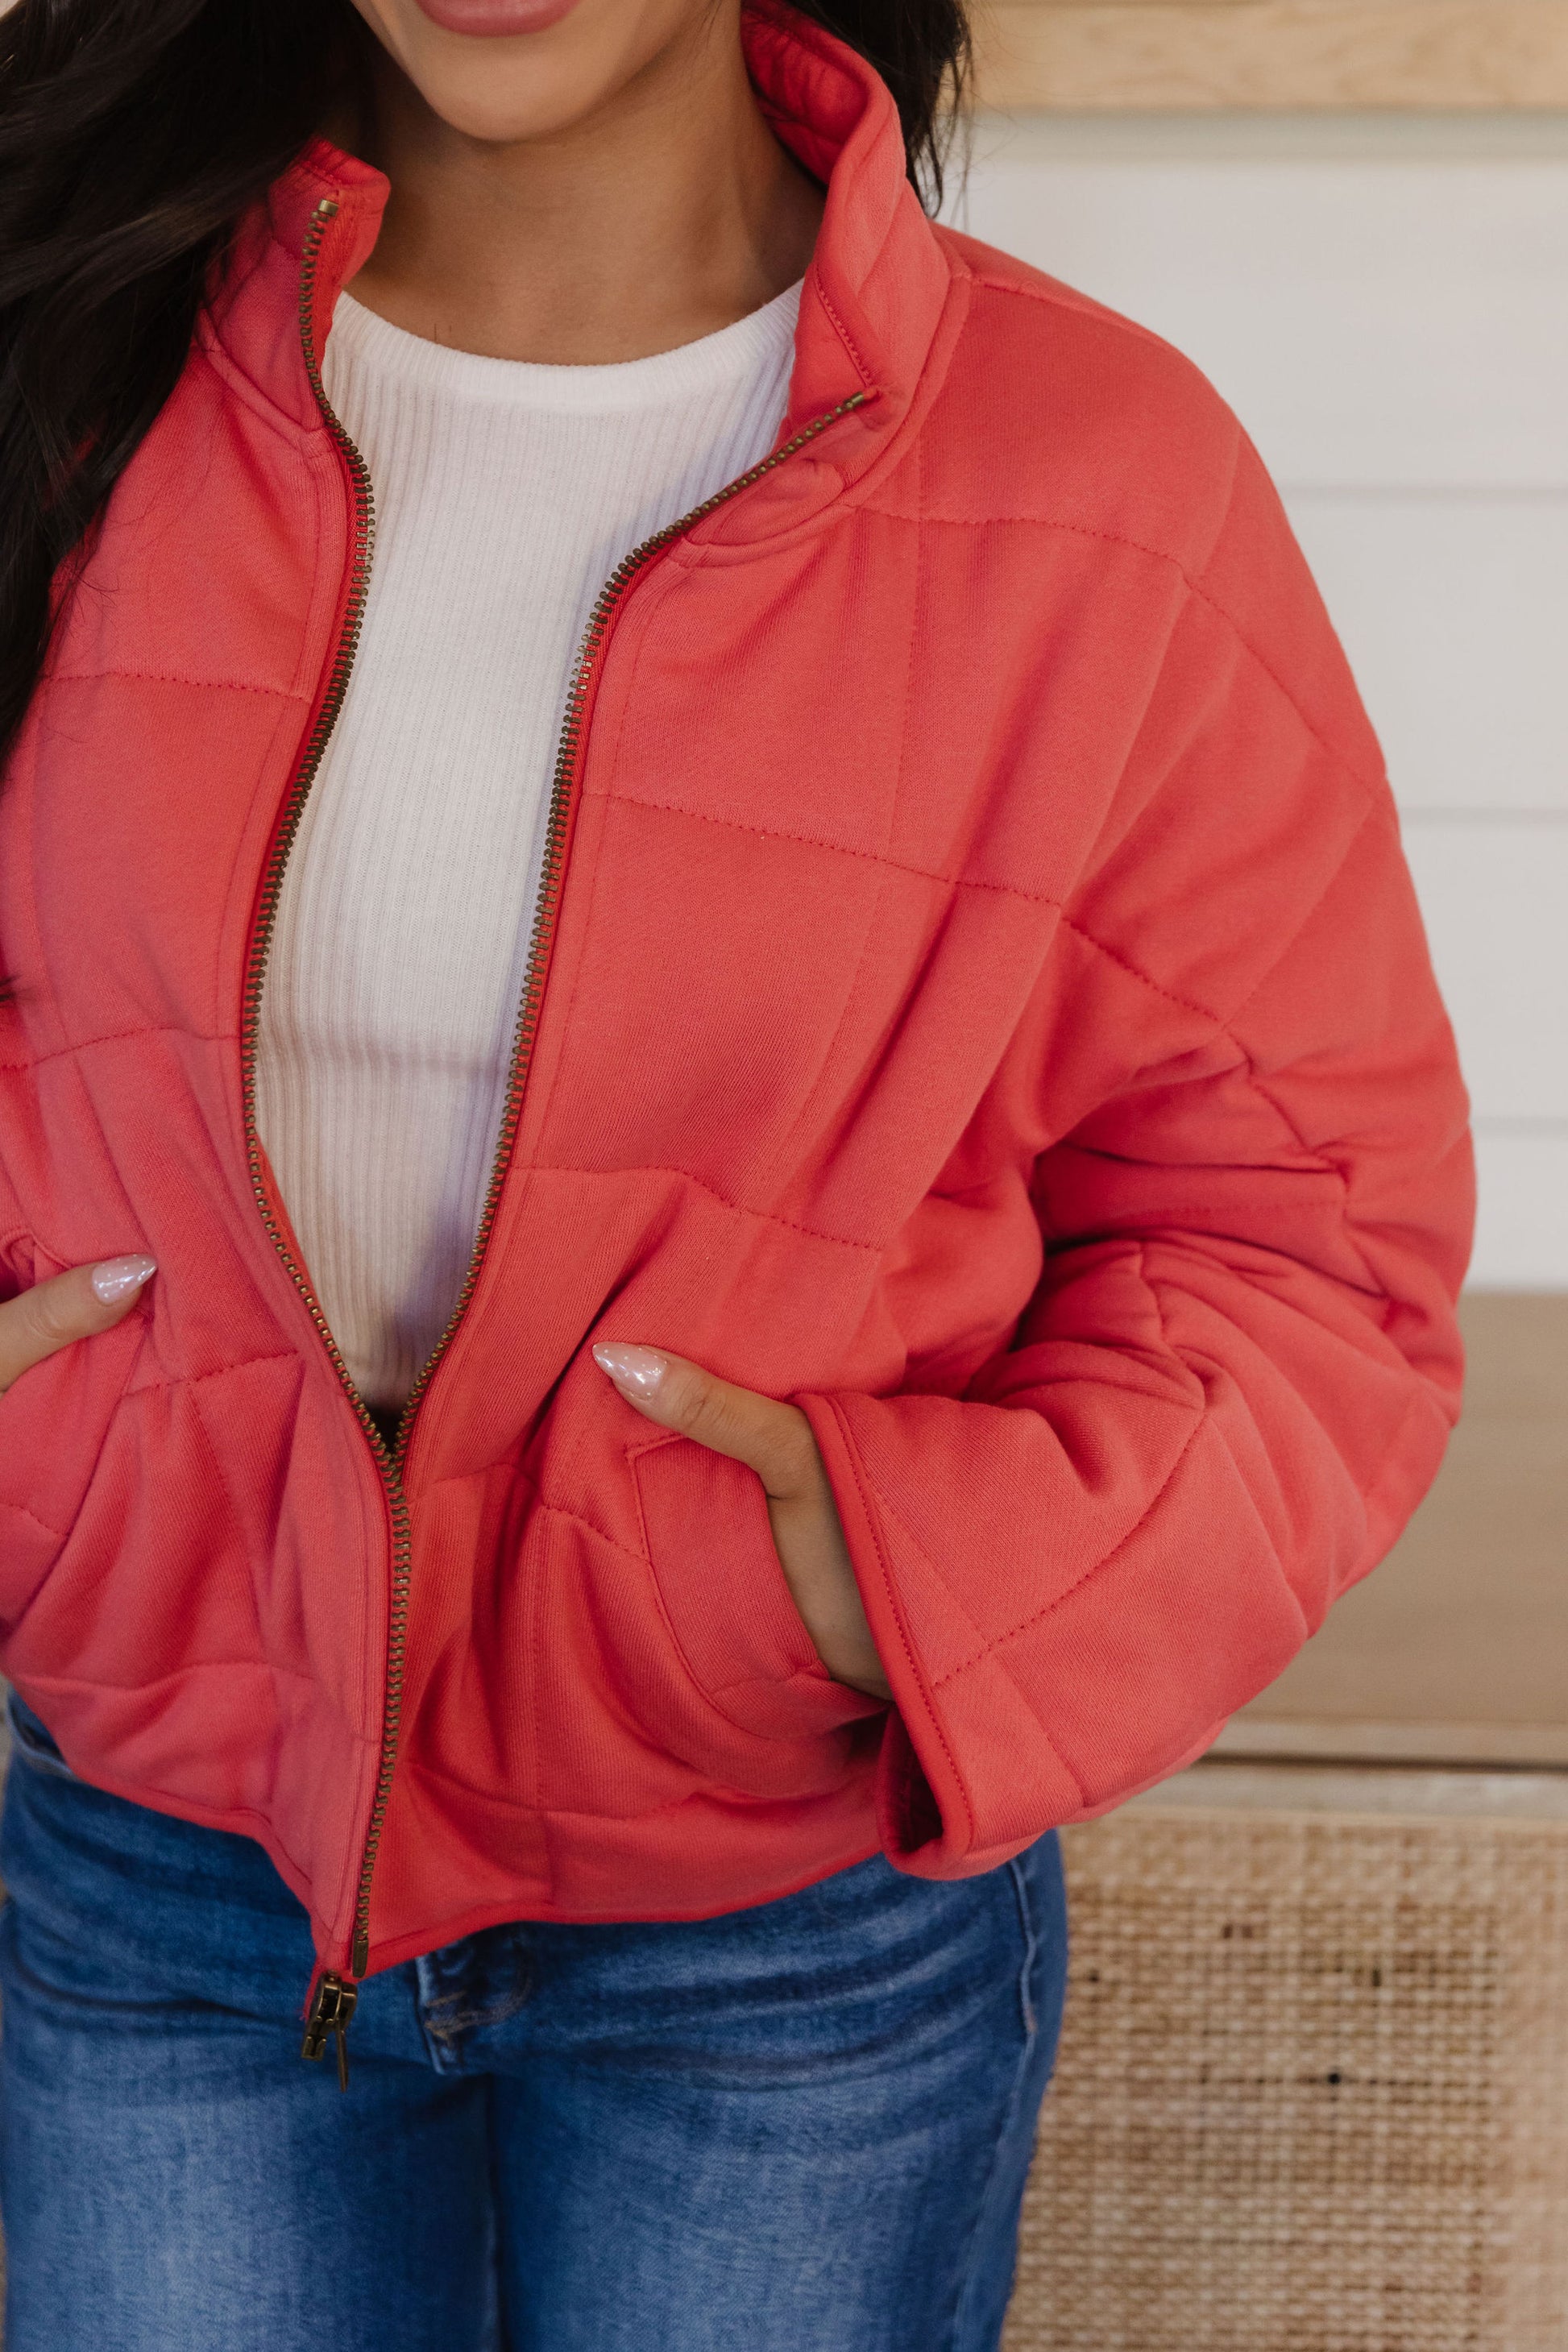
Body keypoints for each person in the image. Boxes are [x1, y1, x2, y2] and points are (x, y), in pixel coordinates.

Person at [0, 0, 1471, 2342]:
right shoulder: (62, 355)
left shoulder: (1098, 477)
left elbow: (1304, 1241)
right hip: (162, 1860)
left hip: (784, 1921)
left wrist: (897, 1584)